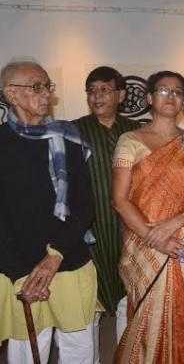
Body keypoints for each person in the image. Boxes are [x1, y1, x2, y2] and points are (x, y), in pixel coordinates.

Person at [0, 61, 97, 363]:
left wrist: (54, 256)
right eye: (37, 87)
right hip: (20, 268)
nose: (46, 94)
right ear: (11, 94)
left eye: (47, 86)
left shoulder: (68, 136)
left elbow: (85, 205)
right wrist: (22, 276)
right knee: (27, 352)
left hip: (68, 259)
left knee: (79, 350)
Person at [112, 70, 184, 364]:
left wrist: (175, 223)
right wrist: (155, 237)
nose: (170, 96)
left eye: (177, 92)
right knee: (147, 317)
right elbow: (119, 200)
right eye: (163, 90)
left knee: (183, 313)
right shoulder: (130, 140)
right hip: (144, 242)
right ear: (149, 98)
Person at [72, 67, 140, 339]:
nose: (96, 96)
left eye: (104, 89)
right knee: (90, 300)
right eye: (91, 90)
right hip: (91, 229)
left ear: (121, 95)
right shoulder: (74, 131)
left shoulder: (137, 131)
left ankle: (126, 354)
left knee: (129, 296)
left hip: (130, 227)